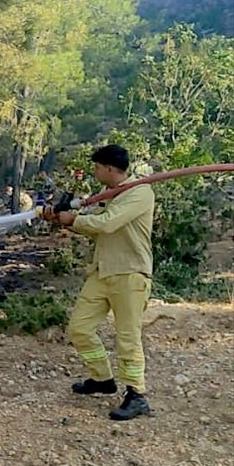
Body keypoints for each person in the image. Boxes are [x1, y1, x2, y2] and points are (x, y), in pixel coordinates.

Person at [41, 144, 155, 420]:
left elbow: (107, 224)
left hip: (130, 273)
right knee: (80, 328)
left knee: (127, 336)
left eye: (96, 167)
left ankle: (137, 395)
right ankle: (102, 379)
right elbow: (96, 225)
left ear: (109, 168)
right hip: (103, 271)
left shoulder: (140, 193)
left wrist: (74, 220)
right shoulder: (110, 195)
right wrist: (62, 218)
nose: (94, 171)